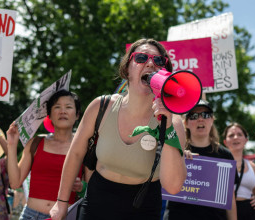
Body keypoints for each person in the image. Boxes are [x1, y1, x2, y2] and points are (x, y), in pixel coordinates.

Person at [50, 38, 187, 220]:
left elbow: (173, 186)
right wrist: (61, 203)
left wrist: (167, 125)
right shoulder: (101, 106)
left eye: (158, 61)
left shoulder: (174, 122)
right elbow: (75, 154)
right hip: (96, 205)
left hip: (143, 209)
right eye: (141, 58)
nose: (150, 64)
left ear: (164, 72)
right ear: (126, 69)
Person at [7, 89, 84, 220]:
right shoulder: (36, 143)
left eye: (68, 107)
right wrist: (12, 145)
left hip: (66, 216)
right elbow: (15, 183)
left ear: (77, 115)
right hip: (30, 215)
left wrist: (82, 187)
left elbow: (94, 188)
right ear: (49, 115)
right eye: (57, 107)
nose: (63, 111)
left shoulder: (84, 147)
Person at [167, 100, 237, 220]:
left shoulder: (225, 155)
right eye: (194, 116)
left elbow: (229, 197)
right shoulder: (174, 152)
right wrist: (178, 157)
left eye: (205, 115)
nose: (200, 119)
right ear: (186, 123)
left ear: (212, 120)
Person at [223, 123, 255, 220]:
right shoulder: (218, 163)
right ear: (225, 142)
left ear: (246, 140)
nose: (235, 137)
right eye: (231, 135)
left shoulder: (252, 167)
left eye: (239, 134)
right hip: (225, 212)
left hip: (249, 213)